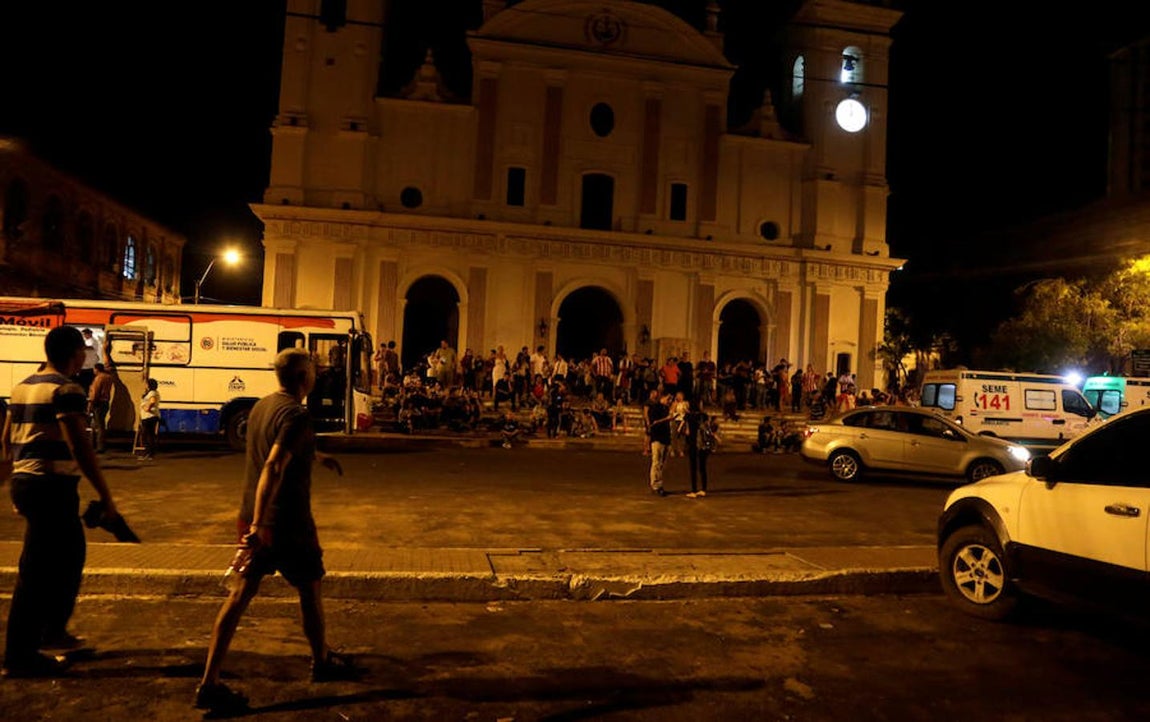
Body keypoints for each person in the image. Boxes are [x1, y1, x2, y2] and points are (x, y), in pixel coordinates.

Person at [195, 348, 359, 712]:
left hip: (252, 518)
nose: (316, 375)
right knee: (310, 590)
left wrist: (317, 456)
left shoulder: (261, 406)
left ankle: (209, 681)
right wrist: (259, 523)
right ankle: (321, 661)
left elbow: (281, 448)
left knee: (238, 596)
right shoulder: (297, 415)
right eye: (312, 370)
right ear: (303, 378)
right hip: (286, 523)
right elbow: (272, 465)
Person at [2, 326, 124, 678]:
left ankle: (51, 633)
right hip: (51, 487)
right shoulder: (66, 389)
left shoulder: (22, 386)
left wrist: (14, 485)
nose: (85, 357)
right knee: (41, 569)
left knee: (62, 558)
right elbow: (79, 446)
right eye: (83, 352)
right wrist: (105, 495)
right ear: (74, 354)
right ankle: (22, 654)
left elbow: (6, 441)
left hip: (30, 483)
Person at [685, 401, 720, 498]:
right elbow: (708, 428)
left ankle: (694, 490)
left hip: (693, 443)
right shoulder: (704, 416)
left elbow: (687, 431)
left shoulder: (688, 416)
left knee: (693, 467)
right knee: (702, 467)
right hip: (703, 444)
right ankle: (703, 489)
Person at [647, 393, 673, 497]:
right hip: (657, 438)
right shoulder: (655, 407)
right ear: (663, 397)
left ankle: (659, 483)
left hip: (665, 438)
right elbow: (653, 423)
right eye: (668, 398)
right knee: (656, 462)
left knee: (662, 464)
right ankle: (655, 485)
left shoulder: (666, 408)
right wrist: (667, 418)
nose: (670, 401)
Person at [87, 363, 114, 454]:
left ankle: (99, 446)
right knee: (98, 425)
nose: (93, 371)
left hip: (98, 403)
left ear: (97, 369)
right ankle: (95, 444)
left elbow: (95, 392)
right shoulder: (108, 377)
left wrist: (90, 404)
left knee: (99, 425)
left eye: (94, 369)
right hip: (105, 402)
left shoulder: (99, 378)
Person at [137, 378, 160, 460]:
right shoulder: (151, 393)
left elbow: (152, 401)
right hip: (148, 416)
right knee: (149, 435)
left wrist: (147, 408)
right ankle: (149, 453)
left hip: (150, 416)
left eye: (146, 384)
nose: (145, 386)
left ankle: (148, 453)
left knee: (147, 435)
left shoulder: (152, 393)